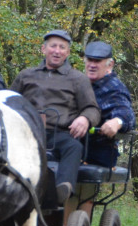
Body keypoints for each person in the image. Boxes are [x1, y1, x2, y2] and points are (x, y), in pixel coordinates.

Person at [11, 29, 100, 203]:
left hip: (60, 134)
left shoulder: (78, 79)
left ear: (67, 53)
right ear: (44, 49)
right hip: (27, 133)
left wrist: (85, 119)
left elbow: (92, 109)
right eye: (53, 46)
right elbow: (8, 100)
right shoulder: (26, 75)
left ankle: (62, 189)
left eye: (62, 47)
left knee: (74, 147)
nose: (57, 51)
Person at [82, 40, 135, 168]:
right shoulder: (80, 84)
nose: (92, 65)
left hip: (95, 153)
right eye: (90, 60)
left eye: (97, 61)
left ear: (110, 65)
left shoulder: (115, 88)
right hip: (68, 146)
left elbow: (127, 115)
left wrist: (117, 122)